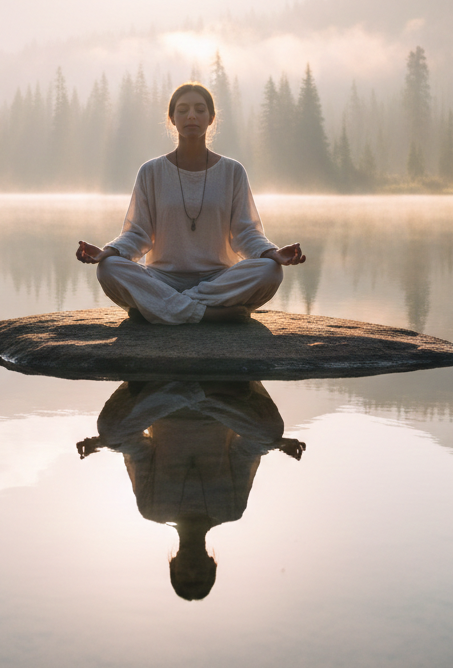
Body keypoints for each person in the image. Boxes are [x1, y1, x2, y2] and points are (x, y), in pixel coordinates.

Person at [75, 82, 305, 325]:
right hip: (162, 278)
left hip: (218, 280)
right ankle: (207, 313)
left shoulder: (232, 171)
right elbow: (137, 233)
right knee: (108, 268)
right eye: (183, 110)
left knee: (270, 270)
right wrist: (107, 252)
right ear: (172, 119)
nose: (191, 116)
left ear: (211, 118)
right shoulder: (151, 172)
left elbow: (246, 232)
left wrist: (273, 253)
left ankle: (162, 307)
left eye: (200, 109)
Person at [77, 379, 306, 600]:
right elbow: (245, 451)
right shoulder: (230, 510)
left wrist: (106, 443)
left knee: (110, 431)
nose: (193, 570)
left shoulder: (152, 509)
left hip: (165, 409)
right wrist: (275, 444)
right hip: (219, 408)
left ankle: (188, 390)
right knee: (271, 431)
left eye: (185, 576)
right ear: (211, 565)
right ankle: (198, 390)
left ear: (173, 565)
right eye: (200, 576)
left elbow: (139, 451)